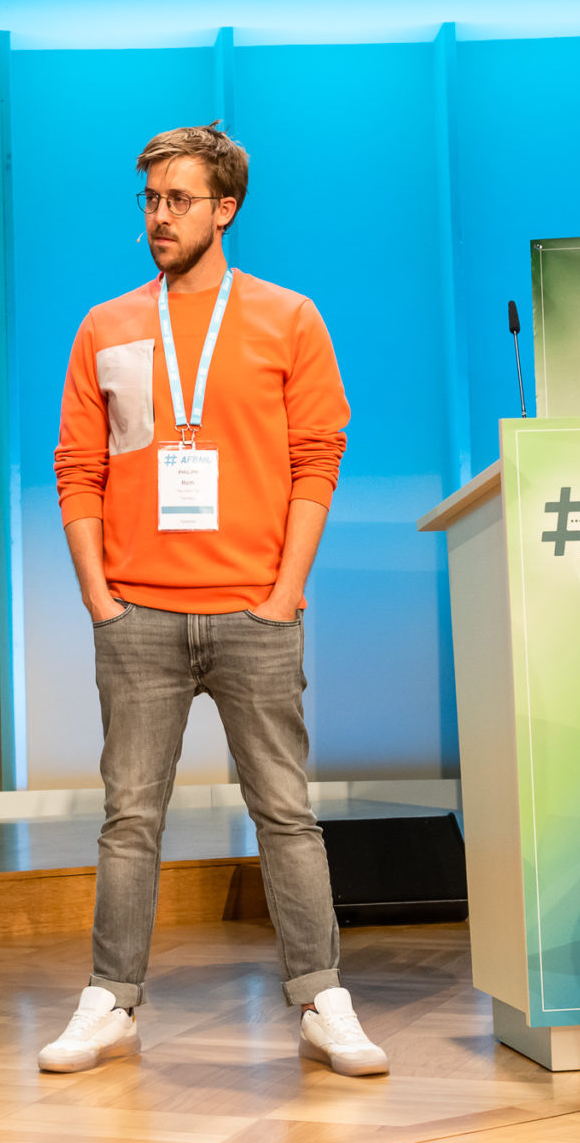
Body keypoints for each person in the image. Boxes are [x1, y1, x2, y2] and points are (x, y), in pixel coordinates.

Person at [40, 123, 388, 1078]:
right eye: (151, 199)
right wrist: (100, 598)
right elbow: (77, 467)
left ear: (224, 208)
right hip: (138, 616)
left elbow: (318, 458)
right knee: (129, 818)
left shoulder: (288, 318)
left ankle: (322, 998)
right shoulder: (107, 325)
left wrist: (285, 593)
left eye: (179, 199)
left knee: (285, 812)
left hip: (254, 613)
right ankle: (110, 999)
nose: (159, 216)